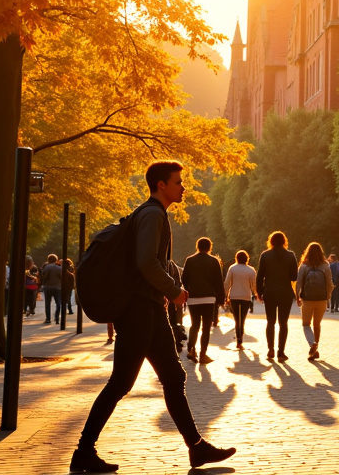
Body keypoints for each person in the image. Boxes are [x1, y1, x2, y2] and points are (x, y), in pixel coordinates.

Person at [71, 161, 234, 473]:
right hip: (139, 311)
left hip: (148, 309)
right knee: (121, 382)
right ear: (162, 185)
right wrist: (174, 291)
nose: (183, 186)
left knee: (174, 377)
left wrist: (170, 290)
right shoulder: (152, 214)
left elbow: (151, 261)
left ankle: (197, 448)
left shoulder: (150, 214)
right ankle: (83, 451)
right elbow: (146, 262)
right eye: (178, 181)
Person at [181, 237, 224, 364]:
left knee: (195, 325)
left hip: (193, 298)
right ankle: (203, 354)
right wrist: (221, 299)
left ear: (197, 246)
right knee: (206, 327)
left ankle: (191, 348)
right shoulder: (214, 261)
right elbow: (218, 281)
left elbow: (184, 278)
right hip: (209, 299)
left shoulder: (190, 260)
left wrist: (189, 288)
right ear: (209, 247)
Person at [257, 231, 298, 361]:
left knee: (270, 321)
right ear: (284, 241)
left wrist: (260, 292)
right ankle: (281, 352)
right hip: (285, 292)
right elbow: (294, 276)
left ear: (271, 241)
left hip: (270, 292)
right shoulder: (290, 256)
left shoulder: (265, 255)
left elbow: (260, 276)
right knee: (283, 322)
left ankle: (270, 350)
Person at [294, 243, 333, 359]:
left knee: (306, 324)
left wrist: (297, 297)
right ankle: (315, 349)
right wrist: (328, 297)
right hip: (321, 299)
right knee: (317, 324)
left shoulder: (304, 265)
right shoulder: (325, 265)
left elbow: (298, 283)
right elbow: (329, 282)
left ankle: (312, 344)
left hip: (307, 299)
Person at [224, 250, 258, 349]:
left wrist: (225, 295)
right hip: (246, 297)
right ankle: (240, 340)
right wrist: (256, 294)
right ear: (247, 259)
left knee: (236, 318)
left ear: (236, 258)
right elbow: (253, 285)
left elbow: (227, 283)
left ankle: (238, 339)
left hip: (234, 296)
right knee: (242, 319)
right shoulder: (251, 270)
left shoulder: (232, 268)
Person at [40, 253, 63, 325]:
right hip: (57, 287)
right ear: (56, 260)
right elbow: (62, 277)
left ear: (48, 260)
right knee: (58, 303)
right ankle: (57, 318)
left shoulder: (46, 267)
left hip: (48, 287)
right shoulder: (59, 268)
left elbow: (43, 277)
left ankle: (48, 318)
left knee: (47, 303)